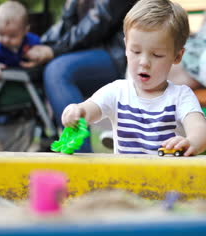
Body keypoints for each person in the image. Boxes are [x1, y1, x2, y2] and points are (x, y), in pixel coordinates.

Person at [61, 0, 206, 156]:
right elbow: (89, 111)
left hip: (167, 179)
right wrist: (77, 111)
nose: (144, 62)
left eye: (157, 55)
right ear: (126, 47)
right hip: (125, 180)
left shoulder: (181, 96)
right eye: (136, 52)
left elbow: (200, 130)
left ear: (177, 56)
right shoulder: (117, 91)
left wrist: (192, 142)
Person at [20, 0, 138, 153]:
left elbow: (98, 22)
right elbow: (64, 26)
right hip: (86, 54)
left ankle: (80, 156)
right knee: (43, 67)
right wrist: (36, 48)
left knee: (58, 70)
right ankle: (47, 138)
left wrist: (53, 51)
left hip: (118, 57)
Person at [0, 1, 40, 80]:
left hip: (25, 82)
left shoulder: (31, 41)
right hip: (3, 84)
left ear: (25, 31)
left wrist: (37, 52)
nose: (6, 40)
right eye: (1, 34)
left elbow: (39, 46)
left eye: (12, 36)